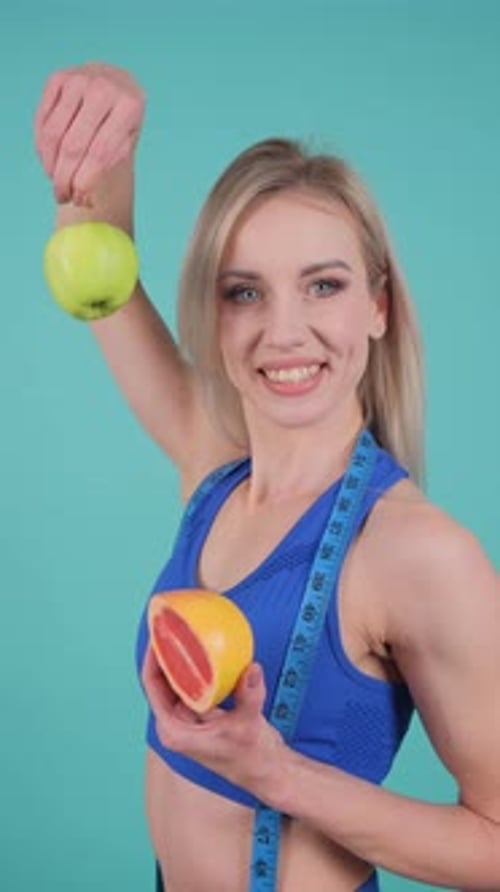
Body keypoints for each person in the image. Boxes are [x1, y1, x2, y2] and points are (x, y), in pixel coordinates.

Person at [34, 62, 500, 892]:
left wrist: (276, 777)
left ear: (379, 307)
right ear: (214, 315)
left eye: (324, 284)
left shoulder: (416, 553)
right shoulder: (213, 472)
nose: (285, 332)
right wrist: (103, 139)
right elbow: (98, 272)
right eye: (244, 292)